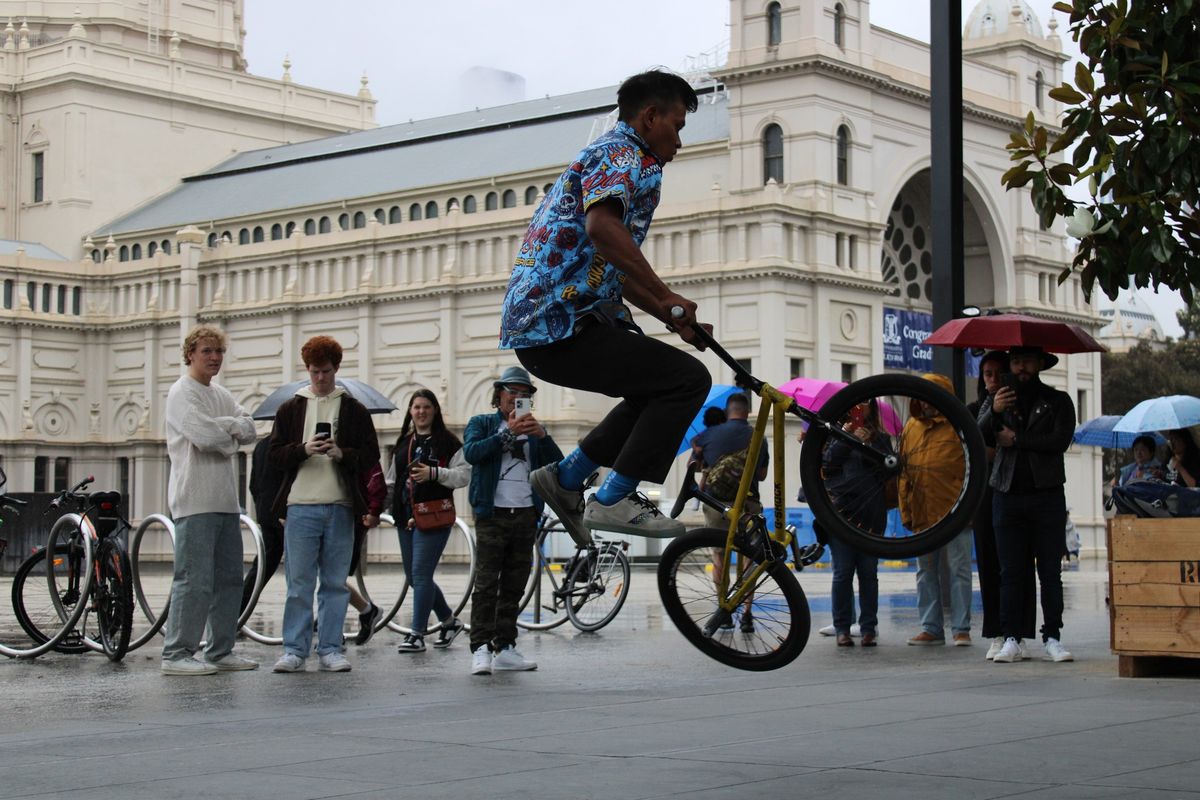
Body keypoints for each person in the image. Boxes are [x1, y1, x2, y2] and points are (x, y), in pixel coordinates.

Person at [502, 69, 712, 542]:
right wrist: (666, 296)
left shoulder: (623, 160)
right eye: (676, 126)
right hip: (556, 325)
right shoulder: (619, 152)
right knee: (687, 380)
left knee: (654, 388)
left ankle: (567, 477)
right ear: (650, 116)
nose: (679, 141)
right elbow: (602, 229)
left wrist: (668, 313)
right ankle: (614, 498)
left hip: (553, 327)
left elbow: (612, 261)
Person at [268, 336, 380, 673]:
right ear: (308, 370)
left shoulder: (353, 408)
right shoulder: (291, 408)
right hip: (300, 504)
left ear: (336, 369)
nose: (320, 378)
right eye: (315, 372)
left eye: (327, 372)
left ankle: (331, 647)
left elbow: (371, 455)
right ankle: (294, 649)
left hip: (340, 505)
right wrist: (303, 449)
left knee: (334, 581)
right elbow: (274, 455)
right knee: (298, 583)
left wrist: (341, 453)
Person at [161, 324, 259, 676]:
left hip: (225, 501)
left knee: (230, 578)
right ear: (190, 354)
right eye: (207, 352)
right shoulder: (180, 392)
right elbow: (204, 437)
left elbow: (250, 428)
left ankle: (220, 650)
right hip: (193, 500)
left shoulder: (220, 394)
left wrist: (227, 429)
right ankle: (176, 653)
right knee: (194, 579)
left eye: (219, 352)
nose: (215, 358)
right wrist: (230, 431)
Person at [978, 345, 1076, 664]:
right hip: (1006, 494)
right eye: (1016, 361)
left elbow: (1060, 441)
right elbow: (978, 436)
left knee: (1049, 571)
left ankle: (1053, 636)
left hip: (1046, 494)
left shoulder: (1057, 400)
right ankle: (1011, 637)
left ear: (1039, 364)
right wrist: (993, 409)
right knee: (1011, 572)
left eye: (1027, 361)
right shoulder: (999, 399)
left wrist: (1018, 440)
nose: (1021, 367)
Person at [463, 366, 563, 675]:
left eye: (524, 395)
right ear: (499, 396)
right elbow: (472, 453)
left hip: (525, 513)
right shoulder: (481, 423)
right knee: (486, 583)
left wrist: (542, 437)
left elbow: (557, 465)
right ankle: (480, 647)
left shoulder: (536, 432)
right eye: (512, 393)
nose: (517, 399)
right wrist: (507, 433)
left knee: (515, 583)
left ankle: (505, 646)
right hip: (492, 512)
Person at [391, 389, 471, 653]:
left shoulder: (448, 442)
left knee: (422, 574)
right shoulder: (404, 444)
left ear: (435, 410)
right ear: (410, 411)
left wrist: (434, 473)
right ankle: (449, 621)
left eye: (426, 406)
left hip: (434, 516)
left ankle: (417, 634)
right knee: (415, 578)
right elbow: (393, 480)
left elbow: (464, 475)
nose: (421, 411)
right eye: (416, 407)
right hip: (405, 517)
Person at [901, 373, 973, 648]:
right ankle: (931, 627)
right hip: (923, 513)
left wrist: (968, 509)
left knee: (959, 570)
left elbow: (972, 469)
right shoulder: (911, 427)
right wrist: (907, 511)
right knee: (925, 572)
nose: (924, 400)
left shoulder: (960, 426)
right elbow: (904, 472)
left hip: (956, 513)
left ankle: (961, 629)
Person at [689, 392, 768, 636]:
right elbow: (763, 475)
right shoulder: (758, 437)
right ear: (747, 411)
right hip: (748, 504)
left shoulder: (707, 435)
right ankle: (746, 614)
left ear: (728, 410)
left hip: (716, 505)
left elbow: (695, 466)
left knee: (719, 557)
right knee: (748, 558)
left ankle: (723, 612)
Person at [968, 352, 1027, 660]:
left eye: (997, 373)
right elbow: (975, 445)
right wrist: (994, 415)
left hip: (1015, 491)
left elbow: (1019, 443)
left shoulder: (1019, 408)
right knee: (989, 564)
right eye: (986, 373)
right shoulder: (975, 409)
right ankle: (995, 630)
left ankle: (1018, 631)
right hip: (985, 494)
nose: (991, 378)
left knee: (1014, 566)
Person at [819, 400, 887, 647]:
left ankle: (869, 627)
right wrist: (846, 437)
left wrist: (869, 444)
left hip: (871, 515)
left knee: (869, 574)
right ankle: (842, 628)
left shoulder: (880, 438)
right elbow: (828, 463)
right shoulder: (837, 433)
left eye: (864, 404)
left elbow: (888, 468)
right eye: (855, 403)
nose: (859, 408)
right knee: (842, 573)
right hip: (841, 514)